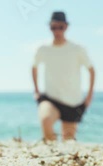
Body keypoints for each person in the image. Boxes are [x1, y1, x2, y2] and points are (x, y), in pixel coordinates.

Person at [32, 11, 96, 141]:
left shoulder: (77, 49)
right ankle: (51, 151)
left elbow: (91, 70)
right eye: (53, 27)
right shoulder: (43, 49)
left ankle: (60, 155)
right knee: (45, 120)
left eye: (60, 27)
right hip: (50, 98)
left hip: (73, 102)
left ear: (66, 27)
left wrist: (89, 97)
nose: (57, 31)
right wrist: (36, 90)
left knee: (68, 141)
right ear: (50, 27)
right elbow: (34, 67)